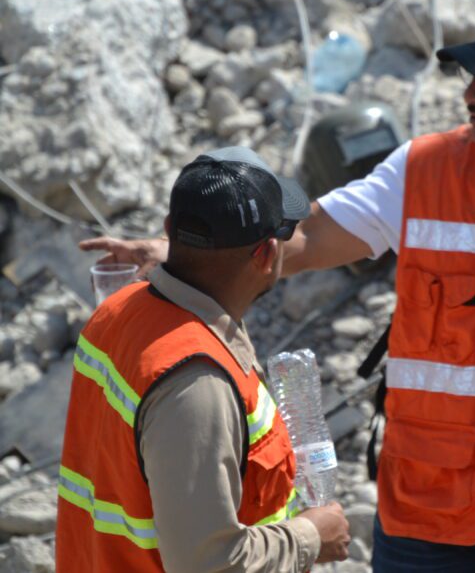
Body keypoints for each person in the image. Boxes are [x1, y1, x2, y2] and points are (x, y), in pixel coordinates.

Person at [81, 0, 475, 573]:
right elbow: (307, 240)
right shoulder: (422, 171)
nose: (471, 94)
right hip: (422, 515)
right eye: (470, 77)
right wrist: (182, 251)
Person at [57, 147, 352, 572]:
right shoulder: (198, 385)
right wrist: (310, 536)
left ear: (168, 230)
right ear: (267, 255)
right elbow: (209, 564)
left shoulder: (118, 310)